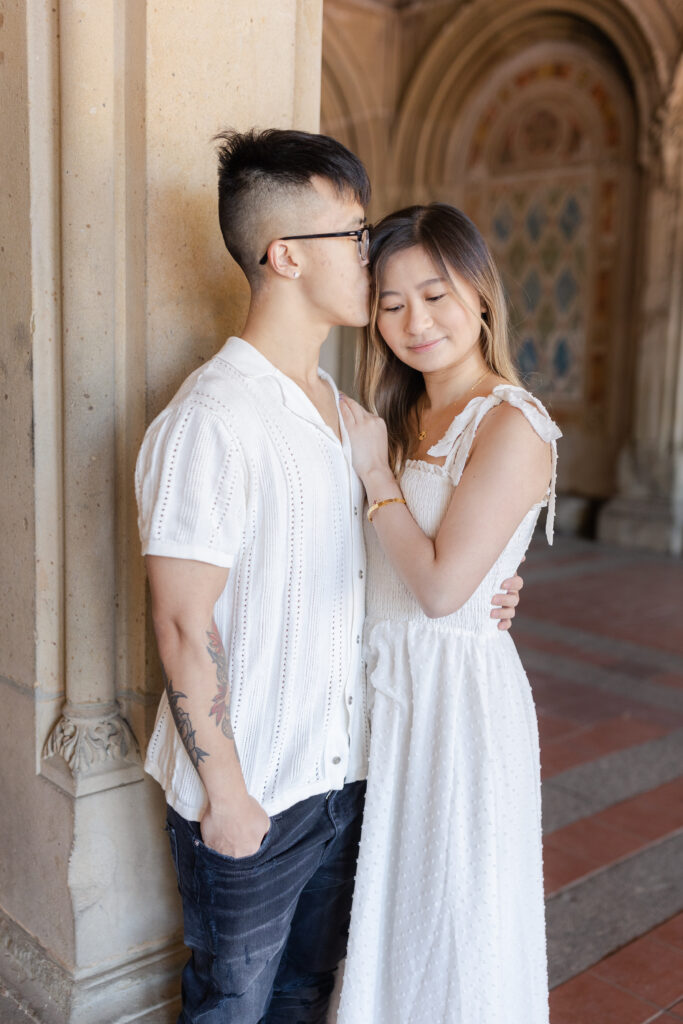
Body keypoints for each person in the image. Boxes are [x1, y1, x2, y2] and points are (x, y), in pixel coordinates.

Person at [135, 131, 521, 1024]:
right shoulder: (211, 419)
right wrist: (225, 798)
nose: (369, 248)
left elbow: (382, 564)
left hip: (344, 783)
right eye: (352, 233)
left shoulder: (345, 414)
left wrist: (490, 586)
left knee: (306, 1000)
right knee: (230, 1006)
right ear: (282, 256)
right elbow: (181, 626)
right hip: (255, 793)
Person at [336, 203, 561, 1024]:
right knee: (386, 921)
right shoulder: (394, 416)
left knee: (451, 926)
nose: (414, 321)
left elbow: (438, 590)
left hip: (457, 708)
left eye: (433, 295)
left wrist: (374, 477)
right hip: (385, 690)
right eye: (390, 303)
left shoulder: (511, 422)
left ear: (479, 294)